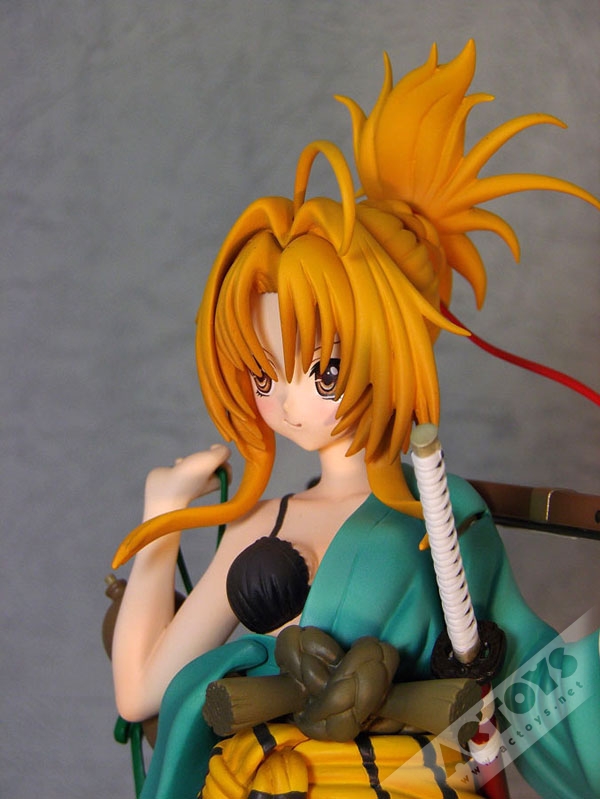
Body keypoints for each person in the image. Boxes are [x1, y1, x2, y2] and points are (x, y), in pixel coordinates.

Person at [111, 41, 599, 798]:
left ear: (394, 352)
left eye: (324, 370)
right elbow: (141, 690)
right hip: (264, 778)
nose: (289, 401)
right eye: (264, 373)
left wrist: (482, 664)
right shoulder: (263, 522)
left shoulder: (445, 516)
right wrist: (161, 521)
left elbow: (532, 680)